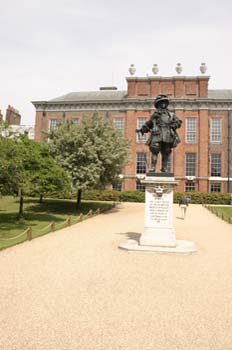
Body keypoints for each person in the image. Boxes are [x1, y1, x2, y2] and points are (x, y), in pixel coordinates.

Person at [136, 94, 182, 173]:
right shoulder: (155, 115)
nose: (163, 104)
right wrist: (142, 130)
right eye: (161, 103)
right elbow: (148, 124)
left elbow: (178, 122)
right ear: (158, 104)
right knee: (154, 150)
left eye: (164, 102)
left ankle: (164, 168)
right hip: (157, 134)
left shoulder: (171, 115)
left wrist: (173, 126)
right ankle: (153, 168)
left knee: (166, 152)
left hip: (167, 135)